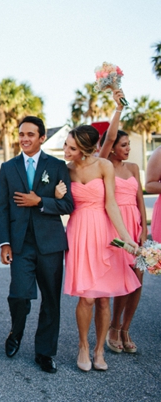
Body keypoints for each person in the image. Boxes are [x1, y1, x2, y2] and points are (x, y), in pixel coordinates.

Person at [0, 116, 74, 374]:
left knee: (51, 300)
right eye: (21, 134)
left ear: (42, 137)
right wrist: (4, 243)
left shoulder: (57, 166)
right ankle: (15, 332)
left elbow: (67, 205)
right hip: (20, 244)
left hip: (50, 244)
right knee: (19, 294)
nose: (25, 139)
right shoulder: (8, 167)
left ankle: (45, 352)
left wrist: (40, 201)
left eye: (30, 134)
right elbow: (3, 208)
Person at [62, 125, 141, 372]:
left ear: (86, 149)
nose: (66, 150)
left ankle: (99, 350)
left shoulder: (104, 166)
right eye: (65, 144)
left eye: (71, 147)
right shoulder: (65, 170)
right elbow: (61, 205)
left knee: (104, 299)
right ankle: (83, 346)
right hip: (79, 233)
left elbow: (111, 205)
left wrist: (127, 239)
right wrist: (57, 194)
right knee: (86, 297)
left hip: (104, 232)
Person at [98, 90, 146, 355]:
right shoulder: (104, 164)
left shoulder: (134, 168)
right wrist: (119, 107)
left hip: (136, 227)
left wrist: (145, 230)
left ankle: (126, 328)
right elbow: (111, 136)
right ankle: (113, 327)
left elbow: (140, 200)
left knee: (138, 279)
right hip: (117, 230)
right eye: (124, 145)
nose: (127, 149)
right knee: (122, 281)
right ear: (113, 147)